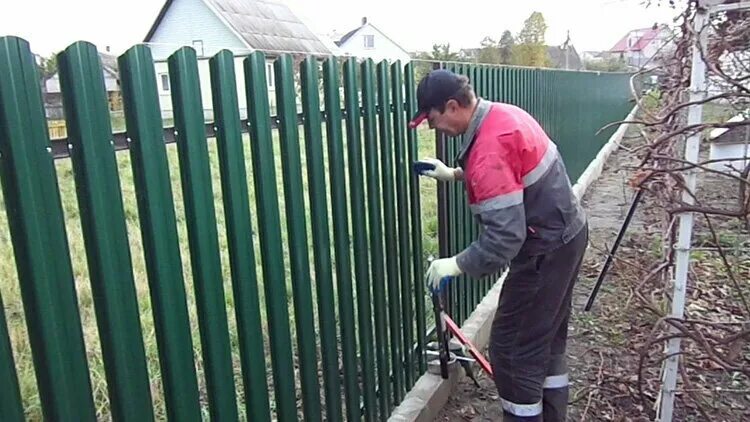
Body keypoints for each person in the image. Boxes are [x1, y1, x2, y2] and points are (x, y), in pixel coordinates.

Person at [410, 69, 588, 421]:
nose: (433, 128)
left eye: (432, 119)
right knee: (545, 341)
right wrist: (456, 173)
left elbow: (505, 238)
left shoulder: (488, 151)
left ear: (451, 106)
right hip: (567, 236)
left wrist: (457, 264)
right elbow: (511, 167)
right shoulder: (501, 114)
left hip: (544, 251)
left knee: (511, 351)